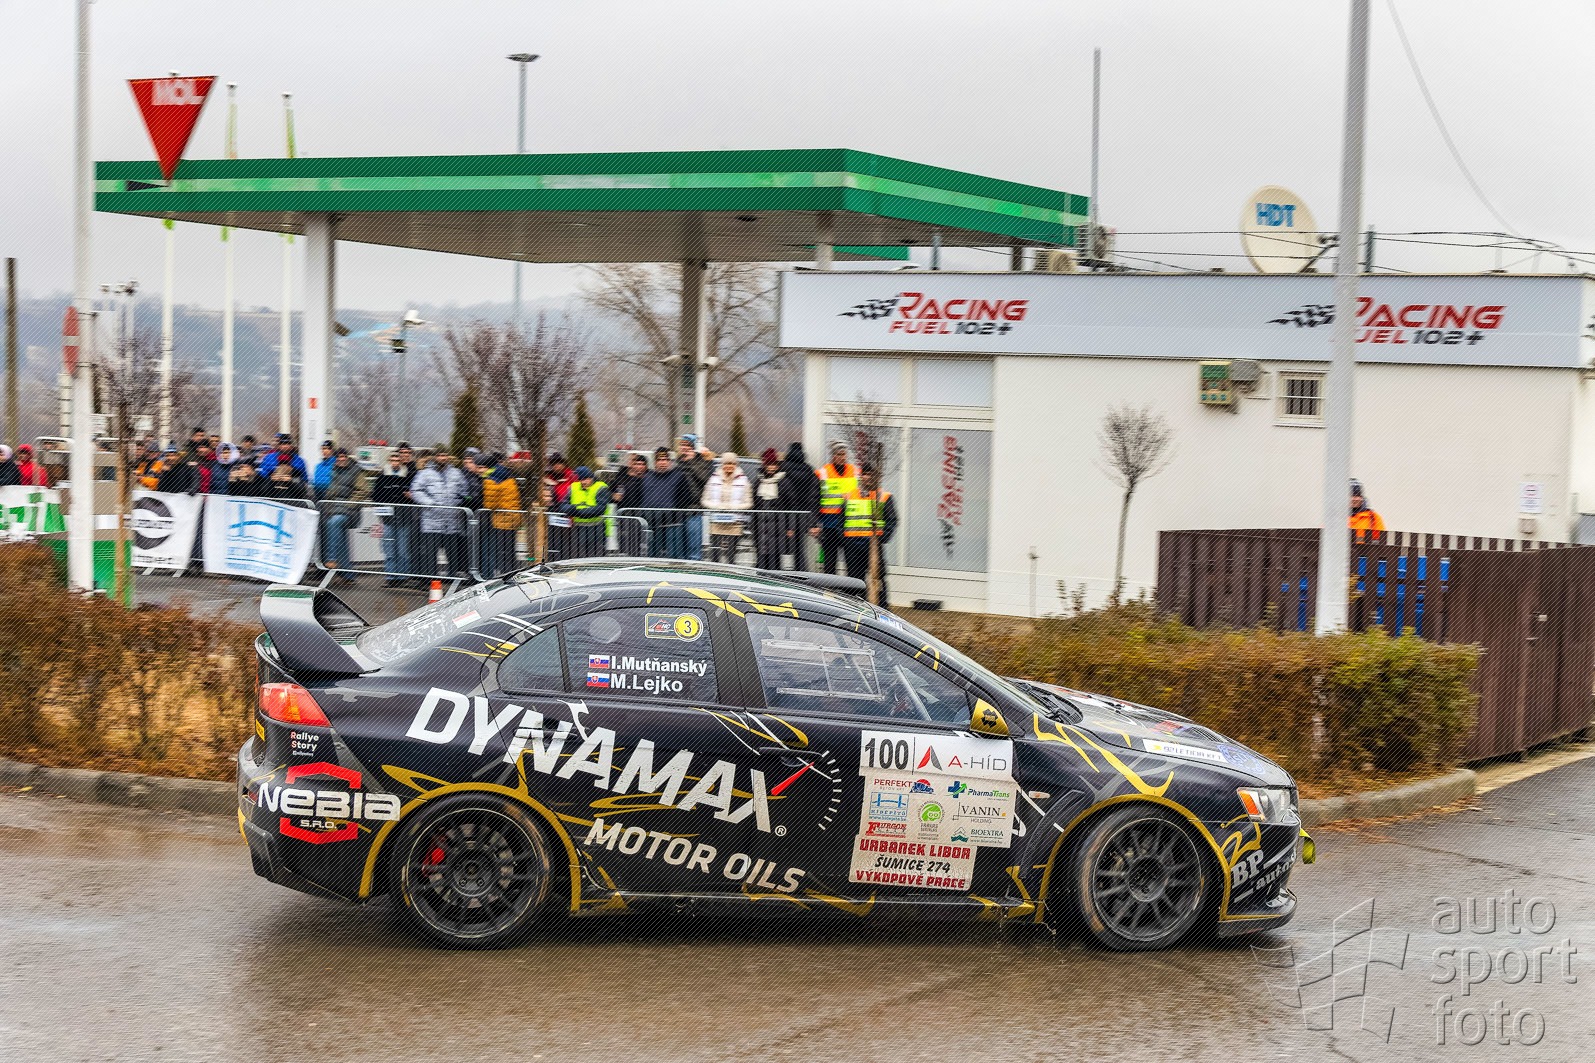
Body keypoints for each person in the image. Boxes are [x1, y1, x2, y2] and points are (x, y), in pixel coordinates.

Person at [842, 463, 898, 607]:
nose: (868, 477)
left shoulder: (883, 497)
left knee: (878, 577)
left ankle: (882, 608)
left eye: (871, 474)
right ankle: (855, 608)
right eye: (865, 474)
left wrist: (881, 538)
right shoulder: (849, 495)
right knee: (854, 579)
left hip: (873, 544)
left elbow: (892, 520)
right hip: (852, 544)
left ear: (876, 477)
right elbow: (841, 519)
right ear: (861, 476)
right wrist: (844, 539)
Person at [410, 448, 470, 577]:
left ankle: (452, 577)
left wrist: (458, 502)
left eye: (445, 455)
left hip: (452, 521)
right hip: (432, 520)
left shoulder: (456, 473)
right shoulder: (425, 473)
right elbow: (416, 490)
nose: (443, 458)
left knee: (452, 553)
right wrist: (429, 503)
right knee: (430, 553)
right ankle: (430, 578)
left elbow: (464, 491)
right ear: (435, 457)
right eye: (440, 455)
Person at [636, 447, 696, 559]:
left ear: (669, 461)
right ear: (655, 462)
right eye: (659, 460)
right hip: (652, 522)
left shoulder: (679, 476)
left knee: (674, 555)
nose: (662, 462)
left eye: (665, 459)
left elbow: (687, 497)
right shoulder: (647, 477)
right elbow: (640, 496)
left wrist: (673, 509)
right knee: (653, 554)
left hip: (673, 522)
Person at [372, 445, 417, 584]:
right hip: (388, 520)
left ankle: (403, 577)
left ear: (400, 461)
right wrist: (383, 516)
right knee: (389, 549)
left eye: (397, 460)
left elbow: (414, 495)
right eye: (393, 459)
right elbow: (375, 497)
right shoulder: (382, 477)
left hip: (404, 518)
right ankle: (391, 577)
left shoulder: (408, 476)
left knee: (403, 550)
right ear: (389, 461)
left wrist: (411, 496)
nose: (395, 462)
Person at [812, 441, 858, 577]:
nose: (843, 457)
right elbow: (814, 500)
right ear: (833, 456)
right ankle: (829, 588)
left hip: (849, 525)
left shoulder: (855, 472)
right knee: (830, 562)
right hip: (829, 524)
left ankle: (850, 588)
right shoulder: (822, 473)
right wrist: (814, 523)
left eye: (844, 454)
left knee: (852, 562)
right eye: (840, 454)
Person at [321, 448, 366, 578]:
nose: (341, 459)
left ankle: (331, 558)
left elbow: (364, 491)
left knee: (334, 523)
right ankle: (347, 574)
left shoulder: (356, 471)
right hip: (335, 509)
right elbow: (331, 492)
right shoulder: (334, 470)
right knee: (339, 537)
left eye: (343, 456)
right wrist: (327, 505)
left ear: (347, 457)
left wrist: (348, 505)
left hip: (350, 511)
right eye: (339, 457)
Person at [701, 452, 752, 564]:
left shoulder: (743, 480)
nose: (729, 466)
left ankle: (730, 571)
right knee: (715, 553)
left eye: (732, 463)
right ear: (722, 464)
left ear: (736, 464)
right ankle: (715, 571)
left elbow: (749, 503)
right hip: (716, 521)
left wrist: (733, 507)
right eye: (726, 463)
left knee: (731, 555)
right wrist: (717, 506)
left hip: (734, 522)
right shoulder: (714, 478)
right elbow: (704, 500)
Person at [478, 452, 523, 576]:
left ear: (486, 467)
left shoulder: (491, 479)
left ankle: (504, 577)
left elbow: (490, 504)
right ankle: (511, 575)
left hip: (502, 518)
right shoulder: (506, 474)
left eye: (481, 467)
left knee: (500, 551)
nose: (479, 470)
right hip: (513, 516)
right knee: (509, 551)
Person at [676, 435, 713, 561]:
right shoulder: (678, 462)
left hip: (694, 508)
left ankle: (694, 566)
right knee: (680, 546)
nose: (684, 448)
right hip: (679, 509)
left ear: (692, 447)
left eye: (687, 445)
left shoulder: (701, 461)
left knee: (694, 546)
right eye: (682, 445)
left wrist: (691, 461)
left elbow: (705, 478)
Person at [562, 465, 611, 560]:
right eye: (581, 479)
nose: (583, 482)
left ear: (591, 477)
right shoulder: (573, 487)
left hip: (596, 527)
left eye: (586, 479)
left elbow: (599, 509)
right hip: (577, 528)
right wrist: (570, 509)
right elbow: (563, 504)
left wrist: (576, 511)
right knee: (577, 556)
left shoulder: (601, 487)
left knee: (596, 556)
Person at [609, 452, 649, 555]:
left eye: (642, 464)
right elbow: (609, 493)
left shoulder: (649, 479)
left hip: (644, 517)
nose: (639, 467)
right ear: (632, 465)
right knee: (625, 544)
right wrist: (613, 496)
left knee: (643, 544)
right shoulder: (622, 478)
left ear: (646, 466)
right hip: (625, 517)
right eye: (637, 464)